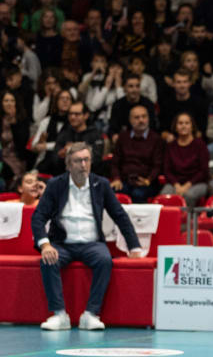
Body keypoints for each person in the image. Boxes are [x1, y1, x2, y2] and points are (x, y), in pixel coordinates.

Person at [32, 142, 140, 331]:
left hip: (92, 243)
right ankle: (59, 314)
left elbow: (120, 215)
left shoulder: (101, 184)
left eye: (86, 160)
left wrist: (135, 247)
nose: (83, 165)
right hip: (62, 243)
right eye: (78, 161)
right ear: (68, 165)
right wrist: (45, 245)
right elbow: (38, 217)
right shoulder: (55, 185)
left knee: (105, 259)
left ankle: (91, 314)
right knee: (48, 260)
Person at [110, 105, 163, 204]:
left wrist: (149, 180)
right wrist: (116, 179)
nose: (141, 120)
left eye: (144, 116)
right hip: (124, 181)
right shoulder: (123, 137)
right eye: (137, 117)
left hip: (146, 182)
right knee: (112, 192)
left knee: (138, 194)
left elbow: (158, 165)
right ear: (130, 120)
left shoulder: (156, 139)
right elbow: (115, 163)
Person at [160, 112, 210, 208]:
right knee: (165, 195)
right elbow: (167, 170)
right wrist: (177, 186)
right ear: (175, 127)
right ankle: (168, 221)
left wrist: (187, 186)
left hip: (197, 183)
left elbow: (203, 171)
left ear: (192, 127)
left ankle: (184, 222)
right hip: (175, 183)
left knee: (189, 196)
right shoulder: (171, 146)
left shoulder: (200, 145)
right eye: (180, 123)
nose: (183, 126)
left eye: (187, 123)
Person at [158, 70, 209, 142]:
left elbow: (201, 131)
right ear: (173, 84)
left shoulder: (200, 103)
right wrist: (168, 136)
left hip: (194, 141)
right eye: (178, 82)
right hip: (172, 142)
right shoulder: (166, 104)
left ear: (190, 83)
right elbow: (162, 130)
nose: (182, 85)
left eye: (185, 82)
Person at [55, 102, 105, 174]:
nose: (72, 117)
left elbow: (96, 160)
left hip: (89, 176)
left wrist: (74, 153)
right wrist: (61, 156)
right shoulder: (64, 133)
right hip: (65, 175)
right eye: (70, 114)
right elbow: (55, 159)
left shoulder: (95, 134)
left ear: (86, 115)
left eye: (77, 114)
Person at [32, 89, 73, 175]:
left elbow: (70, 145)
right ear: (56, 102)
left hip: (67, 164)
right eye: (61, 98)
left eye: (68, 98)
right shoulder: (46, 121)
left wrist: (46, 145)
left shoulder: (74, 122)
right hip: (45, 161)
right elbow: (35, 145)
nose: (65, 100)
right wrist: (40, 142)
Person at [108, 73, 157, 138]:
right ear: (124, 88)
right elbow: (113, 128)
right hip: (124, 139)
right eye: (131, 86)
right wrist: (114, 136)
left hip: (145, 139)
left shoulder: (148, 104)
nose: (135, 90)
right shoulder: (118, 105)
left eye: (137, 86)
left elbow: (153, 127)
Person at [0, 90, 31, 184]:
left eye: (12, 101)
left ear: (16, 103)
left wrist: (14, 123)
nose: (9, 104)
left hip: (16, 157)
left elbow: (21, 145)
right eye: (6, 101)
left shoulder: (22, 120)